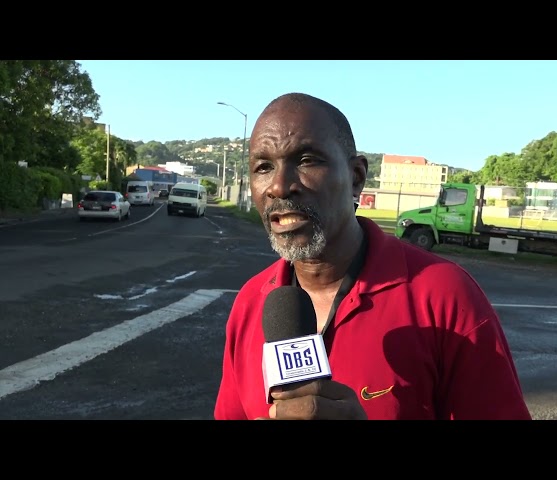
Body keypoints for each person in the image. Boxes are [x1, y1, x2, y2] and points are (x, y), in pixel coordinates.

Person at [213, 92, 532, 420]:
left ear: (356, 177)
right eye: (263, 167)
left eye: (307, 160)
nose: (279, 186)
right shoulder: (250, 302)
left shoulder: (446, 296)